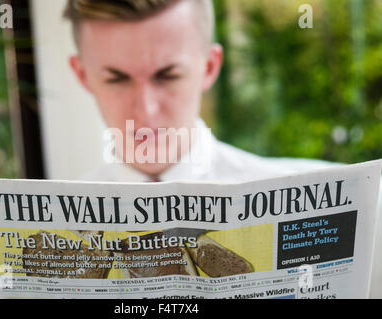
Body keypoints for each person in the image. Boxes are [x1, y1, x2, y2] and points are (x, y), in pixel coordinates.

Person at [63, 0, 382, 296]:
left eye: (168, 75)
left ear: (210, 67)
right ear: (82, 76)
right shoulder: (62, 221)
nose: (146, 110)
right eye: (116, 78)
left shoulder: (346, 199)